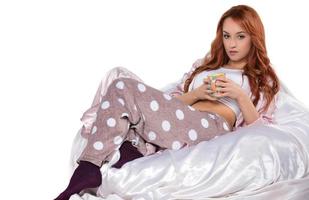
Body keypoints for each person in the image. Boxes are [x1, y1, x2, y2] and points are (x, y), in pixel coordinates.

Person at [54, 4, 280, 200]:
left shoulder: (260, 78)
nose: (232, 43)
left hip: (211, 126)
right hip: (179, 116)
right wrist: (198, 93)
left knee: (122, 86)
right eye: (226, 35)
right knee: (118, 74)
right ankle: (130, 153)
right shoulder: (204, 66)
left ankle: (90, 166)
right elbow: (174, 101)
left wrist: (239, 95)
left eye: (241, 36)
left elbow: (260, 133)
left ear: (254, 37)